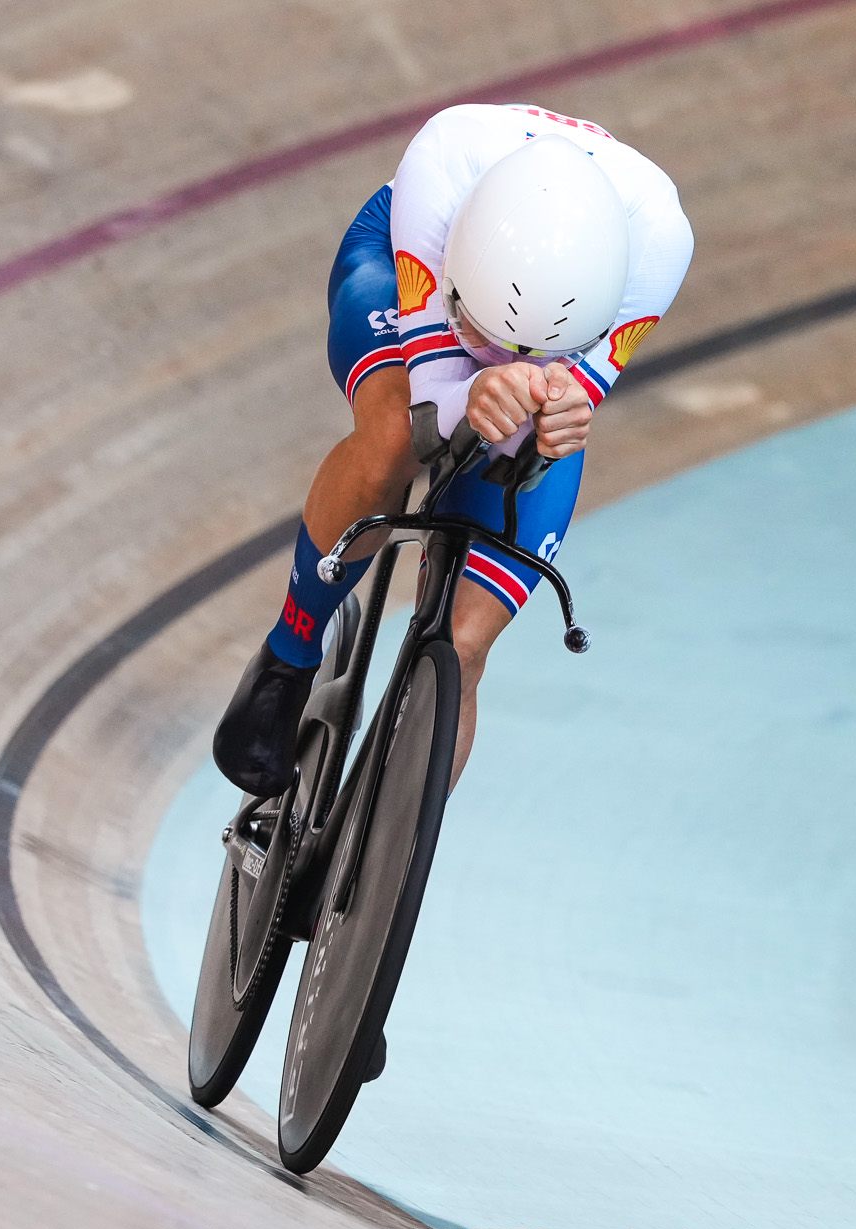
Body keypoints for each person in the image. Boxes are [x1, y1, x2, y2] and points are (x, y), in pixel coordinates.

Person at [213, 102, 694, 798]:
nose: (499, 352)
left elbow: (564, 406)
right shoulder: (443, 162)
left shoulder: (658, 244)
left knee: (465, 647)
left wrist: (561, 413)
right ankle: (289, 653)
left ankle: (380, 860)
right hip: (406, 277)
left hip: (545, 328)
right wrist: (468, 384)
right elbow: (434, 406)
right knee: (391, 437)